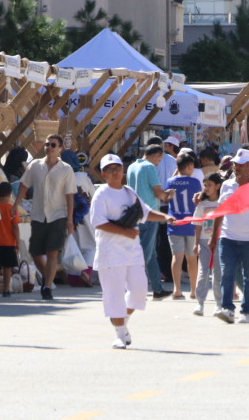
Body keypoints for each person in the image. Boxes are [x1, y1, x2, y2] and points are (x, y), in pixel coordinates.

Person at [89, 154, 182, 348]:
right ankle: (120, 335)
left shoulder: (130, 192)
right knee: (114, 294)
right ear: (104, 174)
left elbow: (146, 213)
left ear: (123, 170)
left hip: (132, 252)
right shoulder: (101, 194)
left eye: (118, 168)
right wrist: (125, 231)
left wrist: (166, 217)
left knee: (139, 292)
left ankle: (122, 320)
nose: (115, 172)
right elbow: (98, 222)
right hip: (110, 252)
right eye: (110, 169)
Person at [16, 134, 76, 300]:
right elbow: (24, 186)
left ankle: (47, 286)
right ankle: (47, 279)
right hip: (38, 214)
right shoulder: (35, 165)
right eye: (47, 144)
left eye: (53, 145)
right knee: (35, 252)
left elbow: (70, 195)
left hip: (58, 215)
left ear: (60, 149)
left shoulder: (66, 169)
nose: (49, 147)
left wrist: (70, 219)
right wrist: (15, 206)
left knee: (52, 253)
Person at [214, 148, 249, 325]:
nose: (236, 167)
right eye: (234, 164)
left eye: (240, 165)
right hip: (228, 238)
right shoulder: (227, 185)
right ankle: (227, 308)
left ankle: (247, 311)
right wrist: (213, 237)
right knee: (227, 273)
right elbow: (220, 211)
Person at [126, 145, 171, 300]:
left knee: (150, 253)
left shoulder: (132, 166)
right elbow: (158, 193)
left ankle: (157, 289)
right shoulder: (150, 167)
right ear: (155, 155)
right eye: (159, 158)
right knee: (144, 253)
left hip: (134, 214)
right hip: (149, 214)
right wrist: (168, 195)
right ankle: (134, 288)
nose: (159, 162)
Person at [164, 154, 201, 299]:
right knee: (192, 258)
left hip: (175, 223)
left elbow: (167, 199)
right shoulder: (195, 182)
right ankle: (193, 290)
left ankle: (177, 289)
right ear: (190, 166)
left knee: (176, 257)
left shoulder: (170, 182)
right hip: (191, 224)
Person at [190, 173, 223, 316]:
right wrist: (196, 243)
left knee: (218, 273)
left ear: (218, 186)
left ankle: (219, 305)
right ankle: (200, 303)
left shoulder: (223, 203)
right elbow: (197, 224)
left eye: (209, 185)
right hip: (204, 242)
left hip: (220, 241)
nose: (206, 188)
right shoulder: (202, 204)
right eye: (205, 185)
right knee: (203, 272)